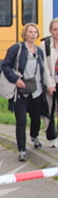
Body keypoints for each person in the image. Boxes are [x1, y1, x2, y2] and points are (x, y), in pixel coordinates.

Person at [1, 23, 49, 162]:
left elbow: (43, 69)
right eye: (30, 32)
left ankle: (34, 137)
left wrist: (48, 85)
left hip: (36, 90)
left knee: (35, 118)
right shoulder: (17, 48)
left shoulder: (39, 51)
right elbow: (5, 65)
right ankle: (22, 149)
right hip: (20, 91)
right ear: (25, 34)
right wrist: (15, 79)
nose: (33, 34)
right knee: (21, 121)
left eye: (35, 32)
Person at [40, 18, 58, 147]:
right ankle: (52, 137)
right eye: (55, 29)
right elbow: (44, 66)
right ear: (50, 31)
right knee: (49, 111)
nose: (57, 32)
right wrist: (49, 84)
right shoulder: (45, 45)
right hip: (51, 82)